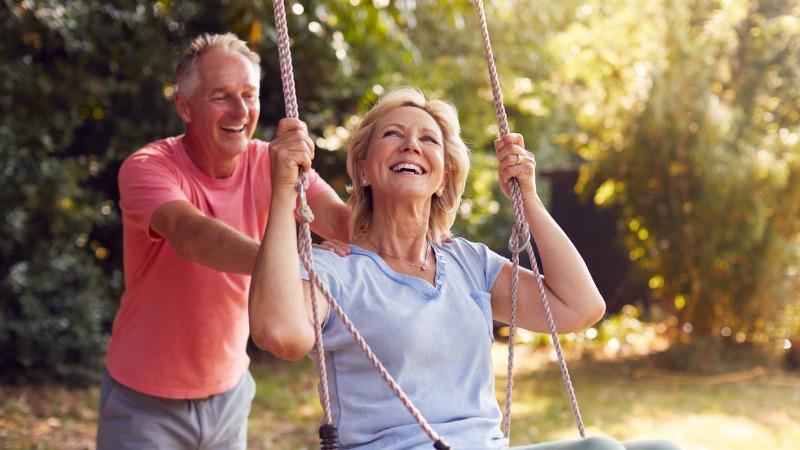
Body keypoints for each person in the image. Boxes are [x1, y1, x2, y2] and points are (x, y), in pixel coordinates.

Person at [249, 87, 680, 450]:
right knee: (601, 449)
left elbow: (580, 307)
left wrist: (527, 199)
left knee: (664, 448)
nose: (411, 145)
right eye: (393, 134)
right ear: (363, 169)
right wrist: (285, 190)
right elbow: (278, 333)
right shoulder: (337, 270)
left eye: (428, 140)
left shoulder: (467, 262)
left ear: (443, 176)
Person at [95, 33, 349, 449]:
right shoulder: (147, 168)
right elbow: (192, 235)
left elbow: (341, 221)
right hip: (144, 401)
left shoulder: (275, 164)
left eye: (249, 95)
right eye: (221, 96)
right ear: (184, 106)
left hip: (230, 392)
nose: (240, 110)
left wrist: (419, 211)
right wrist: (288, 268)